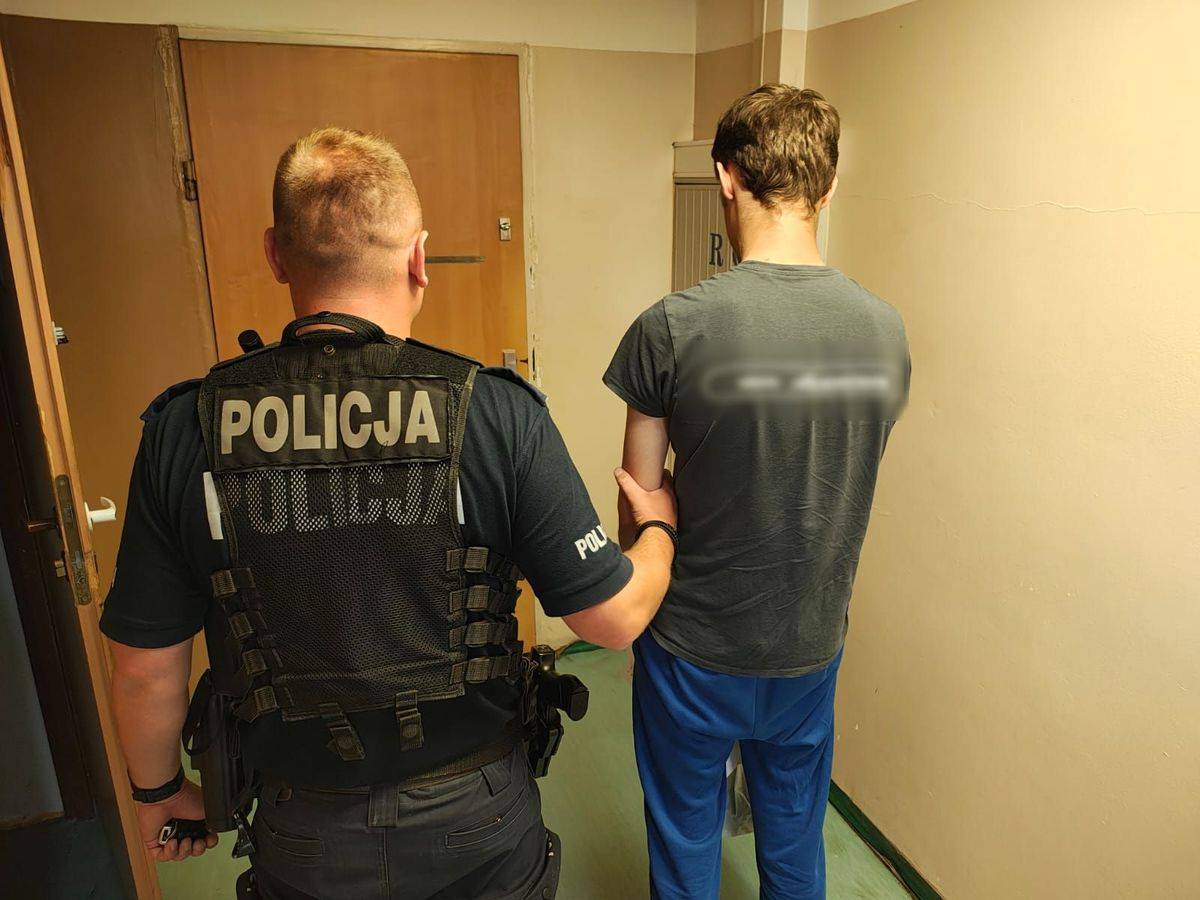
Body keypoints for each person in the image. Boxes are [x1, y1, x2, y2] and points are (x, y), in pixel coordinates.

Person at [101, 126, 677, 899]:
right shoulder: (493, 413)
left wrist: (158, 792)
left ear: (276, 255)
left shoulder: (187, 428)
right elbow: (611, 619)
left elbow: (145, 671)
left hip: (302, 827)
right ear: (418, 258)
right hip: (477, 815)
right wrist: (660, 529)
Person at [604, 85, 910, 899]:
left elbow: (640, 497)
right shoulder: (885, 333)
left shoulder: (670, 328)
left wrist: (637, 618)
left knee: (685, 845)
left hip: (691, 651)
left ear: (726, 177)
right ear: (828, 187)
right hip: (809, 646)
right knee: (794, 842)